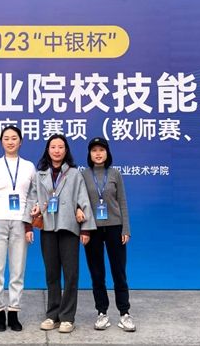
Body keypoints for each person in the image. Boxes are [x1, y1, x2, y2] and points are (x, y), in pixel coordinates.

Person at [23, 133, 96, 334]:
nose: (57, 150)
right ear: (48, 150)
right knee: (52, 273)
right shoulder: (40, 175)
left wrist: (86, 228)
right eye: (53, 147)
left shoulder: (74, 174)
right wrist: (30, 220)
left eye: (61, 147)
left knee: (71, 274)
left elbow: (83, 199)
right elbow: (32, 199)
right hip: (48, 228)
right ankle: (52, 315)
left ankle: (67, 317)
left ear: (66, 150)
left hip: (69, 228)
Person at [0, 125, 36, 332]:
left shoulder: (29, 167)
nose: (10, 141)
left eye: (14, 138)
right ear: (1, 142)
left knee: (17, 269)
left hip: (20, 222)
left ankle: (13, 312)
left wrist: (29, 225)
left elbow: (33, 197)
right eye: (6, 138)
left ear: (20, 142)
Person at [81, 137, 136, 332]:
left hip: (115, 227)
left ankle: (124, 313)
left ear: (107, 153)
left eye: (101, 150)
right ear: (89, 154)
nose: (98, 154)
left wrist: (126, 228)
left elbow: (122, 202)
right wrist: (83, 229)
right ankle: (101, 312)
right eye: (94, 150)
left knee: (119, 272)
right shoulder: (83, 175)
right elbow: (80, 203)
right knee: (97, 273)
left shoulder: (115, 173)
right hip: (92, 229)